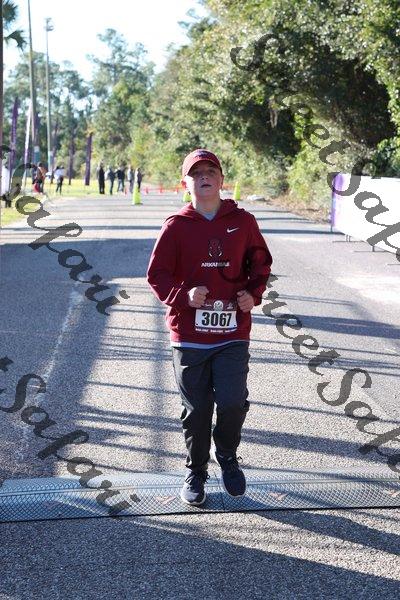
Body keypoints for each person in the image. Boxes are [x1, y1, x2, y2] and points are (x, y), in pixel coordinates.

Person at [147, 149, 272, 506]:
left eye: (210, 171)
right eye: (196, 172)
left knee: (232, 402)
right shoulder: (176, 226)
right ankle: (196, 470)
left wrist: (253, 294)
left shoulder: (243, 222)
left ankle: (227, 455)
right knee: (197, 410)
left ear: (221, 180)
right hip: (189, 337)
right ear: (184, 183)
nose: (204, 177)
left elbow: (260, 264)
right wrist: (183, 296)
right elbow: (157, 274)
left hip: (232, 333)